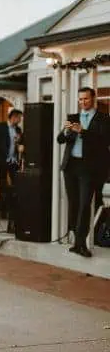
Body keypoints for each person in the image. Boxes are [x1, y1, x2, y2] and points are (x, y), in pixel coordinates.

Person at [57, 87, 110, 258]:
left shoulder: (103, 118)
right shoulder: (73, 117)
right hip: (71, 166)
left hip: (89, 167)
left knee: (84, 205)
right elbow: (60, 140)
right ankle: (75, 241)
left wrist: (83, 132)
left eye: (86, 99)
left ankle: (81, 243)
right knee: (73, 204)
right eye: (80, 99)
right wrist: (66, 131)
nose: (82, 102)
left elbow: (103, 142)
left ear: (93, 99)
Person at [0, 109, 24, 219]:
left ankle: (13, 209)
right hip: (2, 160)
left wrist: (20, 144)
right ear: (13, 117)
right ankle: (3, 210)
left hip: (14, 161)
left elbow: (21, 142)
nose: (20, 120)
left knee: (16, 184)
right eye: (19, 118)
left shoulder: (18, 130)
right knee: (3, 185)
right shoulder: (0, 127)